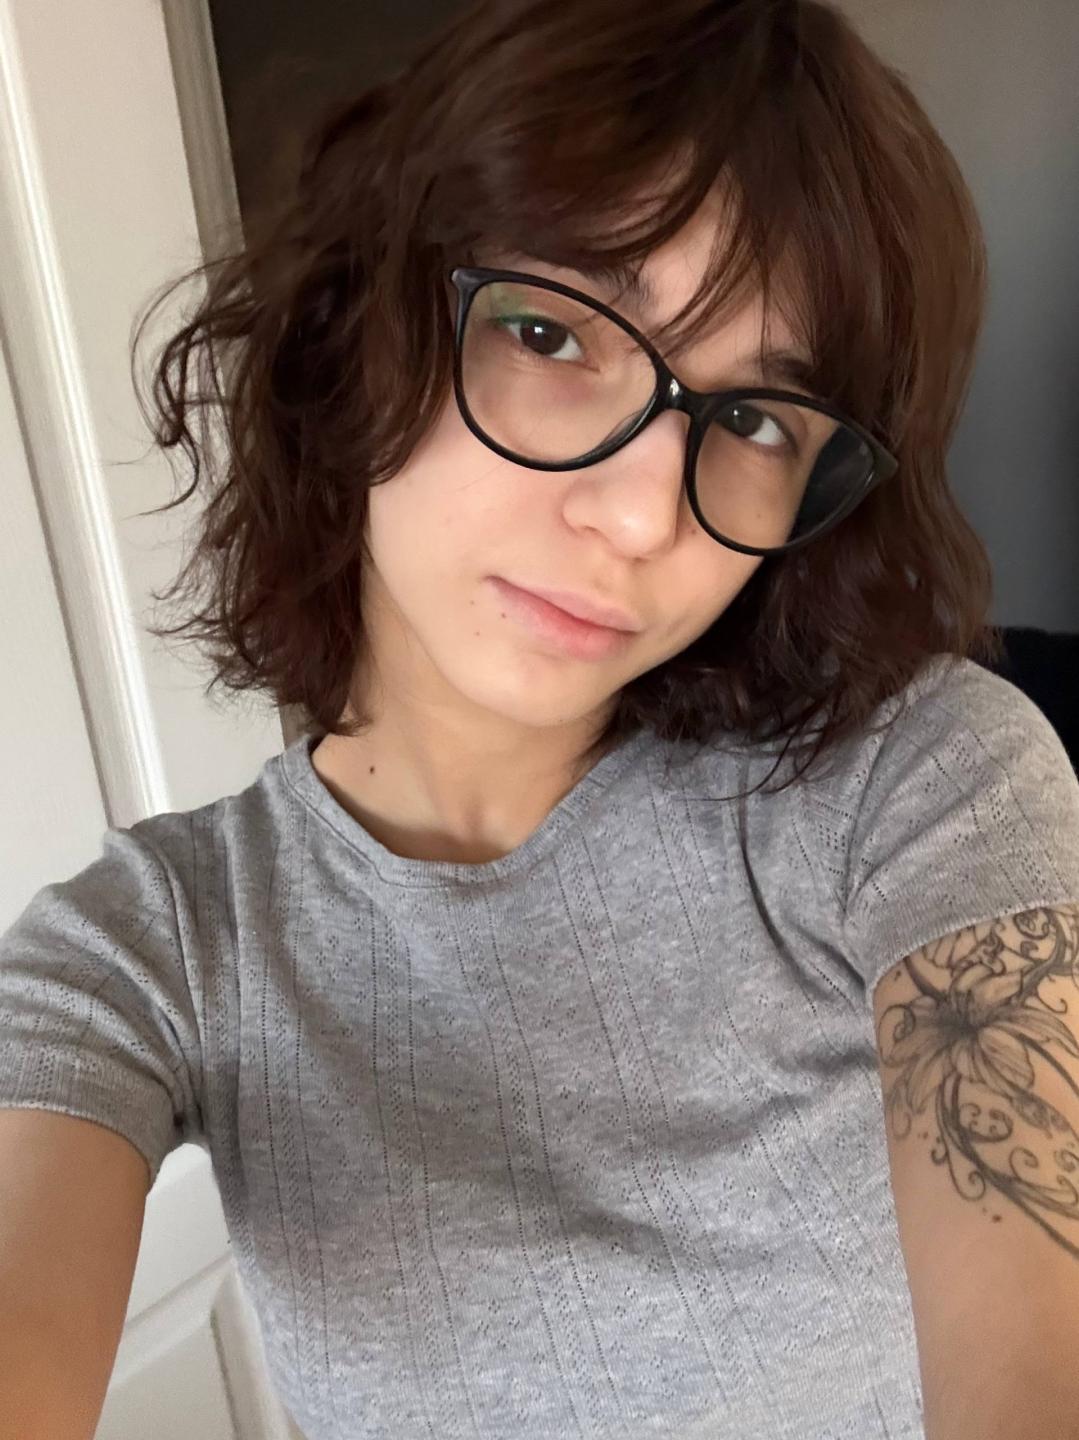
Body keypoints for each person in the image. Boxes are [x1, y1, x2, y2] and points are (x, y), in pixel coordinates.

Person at [2, 1, 1078, 1437]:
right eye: (551, 331)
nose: (641, 514)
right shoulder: (157, 951)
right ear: (356, 323)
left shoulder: (920, 783)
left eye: (756, 420)